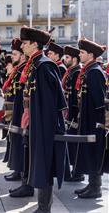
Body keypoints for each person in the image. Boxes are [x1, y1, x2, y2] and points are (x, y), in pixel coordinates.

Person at [19, 26, 67, 213]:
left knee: (44, 165)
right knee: (39, 165)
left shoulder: (44, 65)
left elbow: (50, 103)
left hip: (45, 126)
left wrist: (42, 128)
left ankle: (44, 208)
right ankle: (42, 207)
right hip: (37, 124)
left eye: (24, 43)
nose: (22, 46)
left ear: (34, 44)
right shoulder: (35, 64)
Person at [72, 38, 108, 199]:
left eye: (82, 52)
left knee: (94, 153)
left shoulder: (94, 72)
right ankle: (91, 184)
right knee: (89, 152)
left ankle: (96, 187)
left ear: (91, 55)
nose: (79, 55)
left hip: (95, 122)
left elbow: (100, 102)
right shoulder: (89, 70)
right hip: (88, 119)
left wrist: (99, 123)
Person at [3, 38, 34, 197]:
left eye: (15, 54)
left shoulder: (24, 69)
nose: (12, 57)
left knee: (21, 144)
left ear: (22, 56)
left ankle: (22, 175)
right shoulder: (19, 69)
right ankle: (18, 170)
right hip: (15, 111)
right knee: (15, 142)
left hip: (21, 112)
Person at [61, 45, 85, 182]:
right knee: (71, 143)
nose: (65, 59)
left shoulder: (77, 72)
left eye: (68, 57)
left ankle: (78, 172)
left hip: (74, 114)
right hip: (69, 112)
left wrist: (74, 116)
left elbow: (76, 97)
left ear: (74, 59)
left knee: (75, 144)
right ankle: (75, 170)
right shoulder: (71, 71)